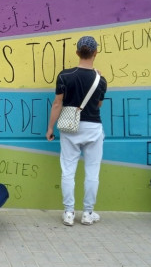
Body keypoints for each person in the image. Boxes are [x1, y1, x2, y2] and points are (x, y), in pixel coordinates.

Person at [46, 35, 107, 227]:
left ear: (77, 52)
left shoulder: (65, 76)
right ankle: (88, 213)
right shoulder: (101, 79)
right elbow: (98, 104)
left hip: (70, 127)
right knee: (92, 172)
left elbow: (57, 104)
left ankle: (69, 213)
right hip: (93, 127)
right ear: (95, 53)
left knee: (68, 171)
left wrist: (50, 128)